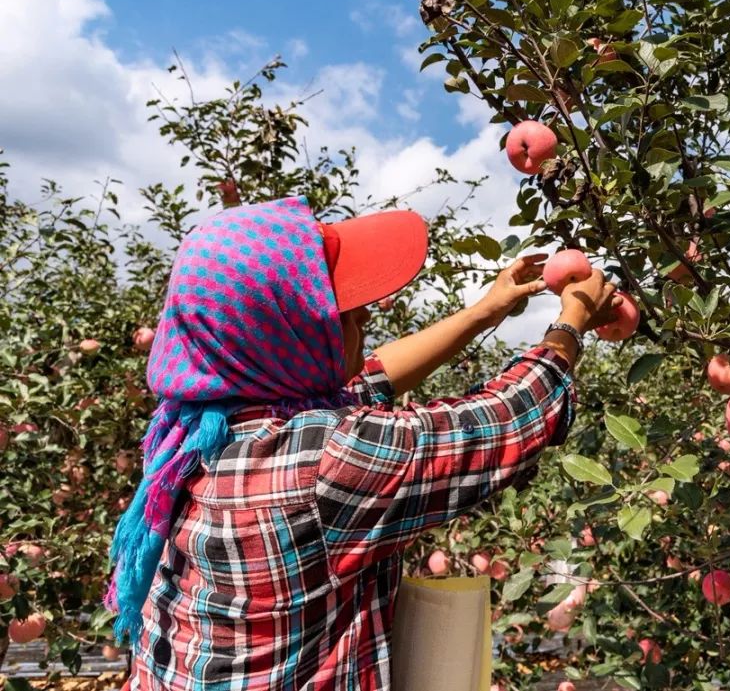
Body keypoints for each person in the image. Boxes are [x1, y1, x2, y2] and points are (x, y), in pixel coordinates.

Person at [105, 196, 621, 691]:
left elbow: (369, 377)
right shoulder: (320, 464)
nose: (365, 319)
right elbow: (505, 421)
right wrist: (571, 323)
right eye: (345, 313)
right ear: (293, 339)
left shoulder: (198, 423)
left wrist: (482, 312)